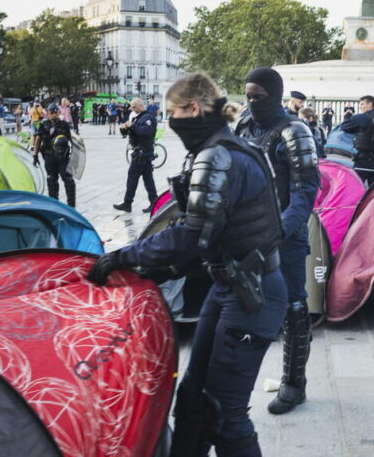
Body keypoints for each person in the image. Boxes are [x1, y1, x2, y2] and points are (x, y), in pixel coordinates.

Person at [88, 72, 287, 457]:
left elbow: (189, 234)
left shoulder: (218, 154)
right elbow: (212, 232)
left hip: (253, 293)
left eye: (173, 112)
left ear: (193, 109)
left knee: (225, 413)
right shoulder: (223, 148)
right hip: (232, 285)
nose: (170, 120)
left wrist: (123, 256)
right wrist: (166, 270)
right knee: (194, 396)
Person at [234, 67, 320, 416]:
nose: (252, 103)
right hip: (246, 231)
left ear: (274, 94)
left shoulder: (295, 132)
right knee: (239, 303)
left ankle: (294, 383)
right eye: (248, 96)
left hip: (285, 235)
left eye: (259, 97)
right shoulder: (243, 125)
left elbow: (305, 190)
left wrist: (280, 229)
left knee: (293, 307)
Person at [114, 98, 158, 213]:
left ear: (141, 105)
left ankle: (127, 203)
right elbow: (134, 132)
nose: (132, 109)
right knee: (148, 179)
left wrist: (132, 126)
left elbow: (146, 132)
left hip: (142, 154)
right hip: (142, 153)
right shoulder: (138, 117)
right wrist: (124, 128)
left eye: (134, 107)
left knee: (132, 177)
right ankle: (154, 202)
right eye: (131, 107)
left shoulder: (147, 117)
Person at [33, 104, 75, 207]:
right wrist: (35, 155)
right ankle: (54, 204)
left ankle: (71, 205)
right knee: (51, 180)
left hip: (63, 157)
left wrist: (75, 155)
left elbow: (71, 139)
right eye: (51, 113)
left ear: (59, 113)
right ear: (48, 113)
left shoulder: (64, 125)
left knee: (68, 180)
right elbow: (38, 140)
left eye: (55, 112)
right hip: (49, 156)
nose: (53, 115)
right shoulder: (44, 125)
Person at [342, 95, 374, 184]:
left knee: (356, 186)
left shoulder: (361, 117)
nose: (360, 107)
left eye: (362, 104)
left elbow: (345, 127)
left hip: (363, 159)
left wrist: (347, 116)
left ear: (370, 104)